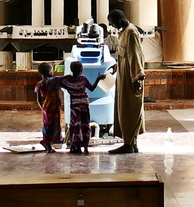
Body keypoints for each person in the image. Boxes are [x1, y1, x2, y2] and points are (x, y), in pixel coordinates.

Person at [106, 8, 160, 154]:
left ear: (118, 20)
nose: (112, 26)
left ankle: (129, 144)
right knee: (124, 111)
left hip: (131, 81)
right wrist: (118, 65)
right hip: (124, 79)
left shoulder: (131, 32)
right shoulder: (123, 33)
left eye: (112, 23)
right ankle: (130, 142)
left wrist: (137, 78)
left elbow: (135, 56)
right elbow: (126, 55)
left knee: (130, 111)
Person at [54, 61, 95, 154]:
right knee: (85, 125)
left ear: (71, 70)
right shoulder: (83, 79)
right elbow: (92, 88)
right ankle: (85, 146)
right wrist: (99, 79)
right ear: (81, 70)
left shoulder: (67, 81)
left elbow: (56, 80)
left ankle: (76, 146)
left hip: (75, 107)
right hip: (85, 105)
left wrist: (67, 76)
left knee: (76, 125)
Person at [34, 62, 63, 152]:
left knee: (47, 125)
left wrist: (42, 108)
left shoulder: (39, 84)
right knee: (54, 125)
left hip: (46, 108)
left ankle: (48, 144)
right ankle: (47, 143)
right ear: (50, 72)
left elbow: (38, 99)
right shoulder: (53, 82)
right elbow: (58, 94)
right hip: (54, 107)